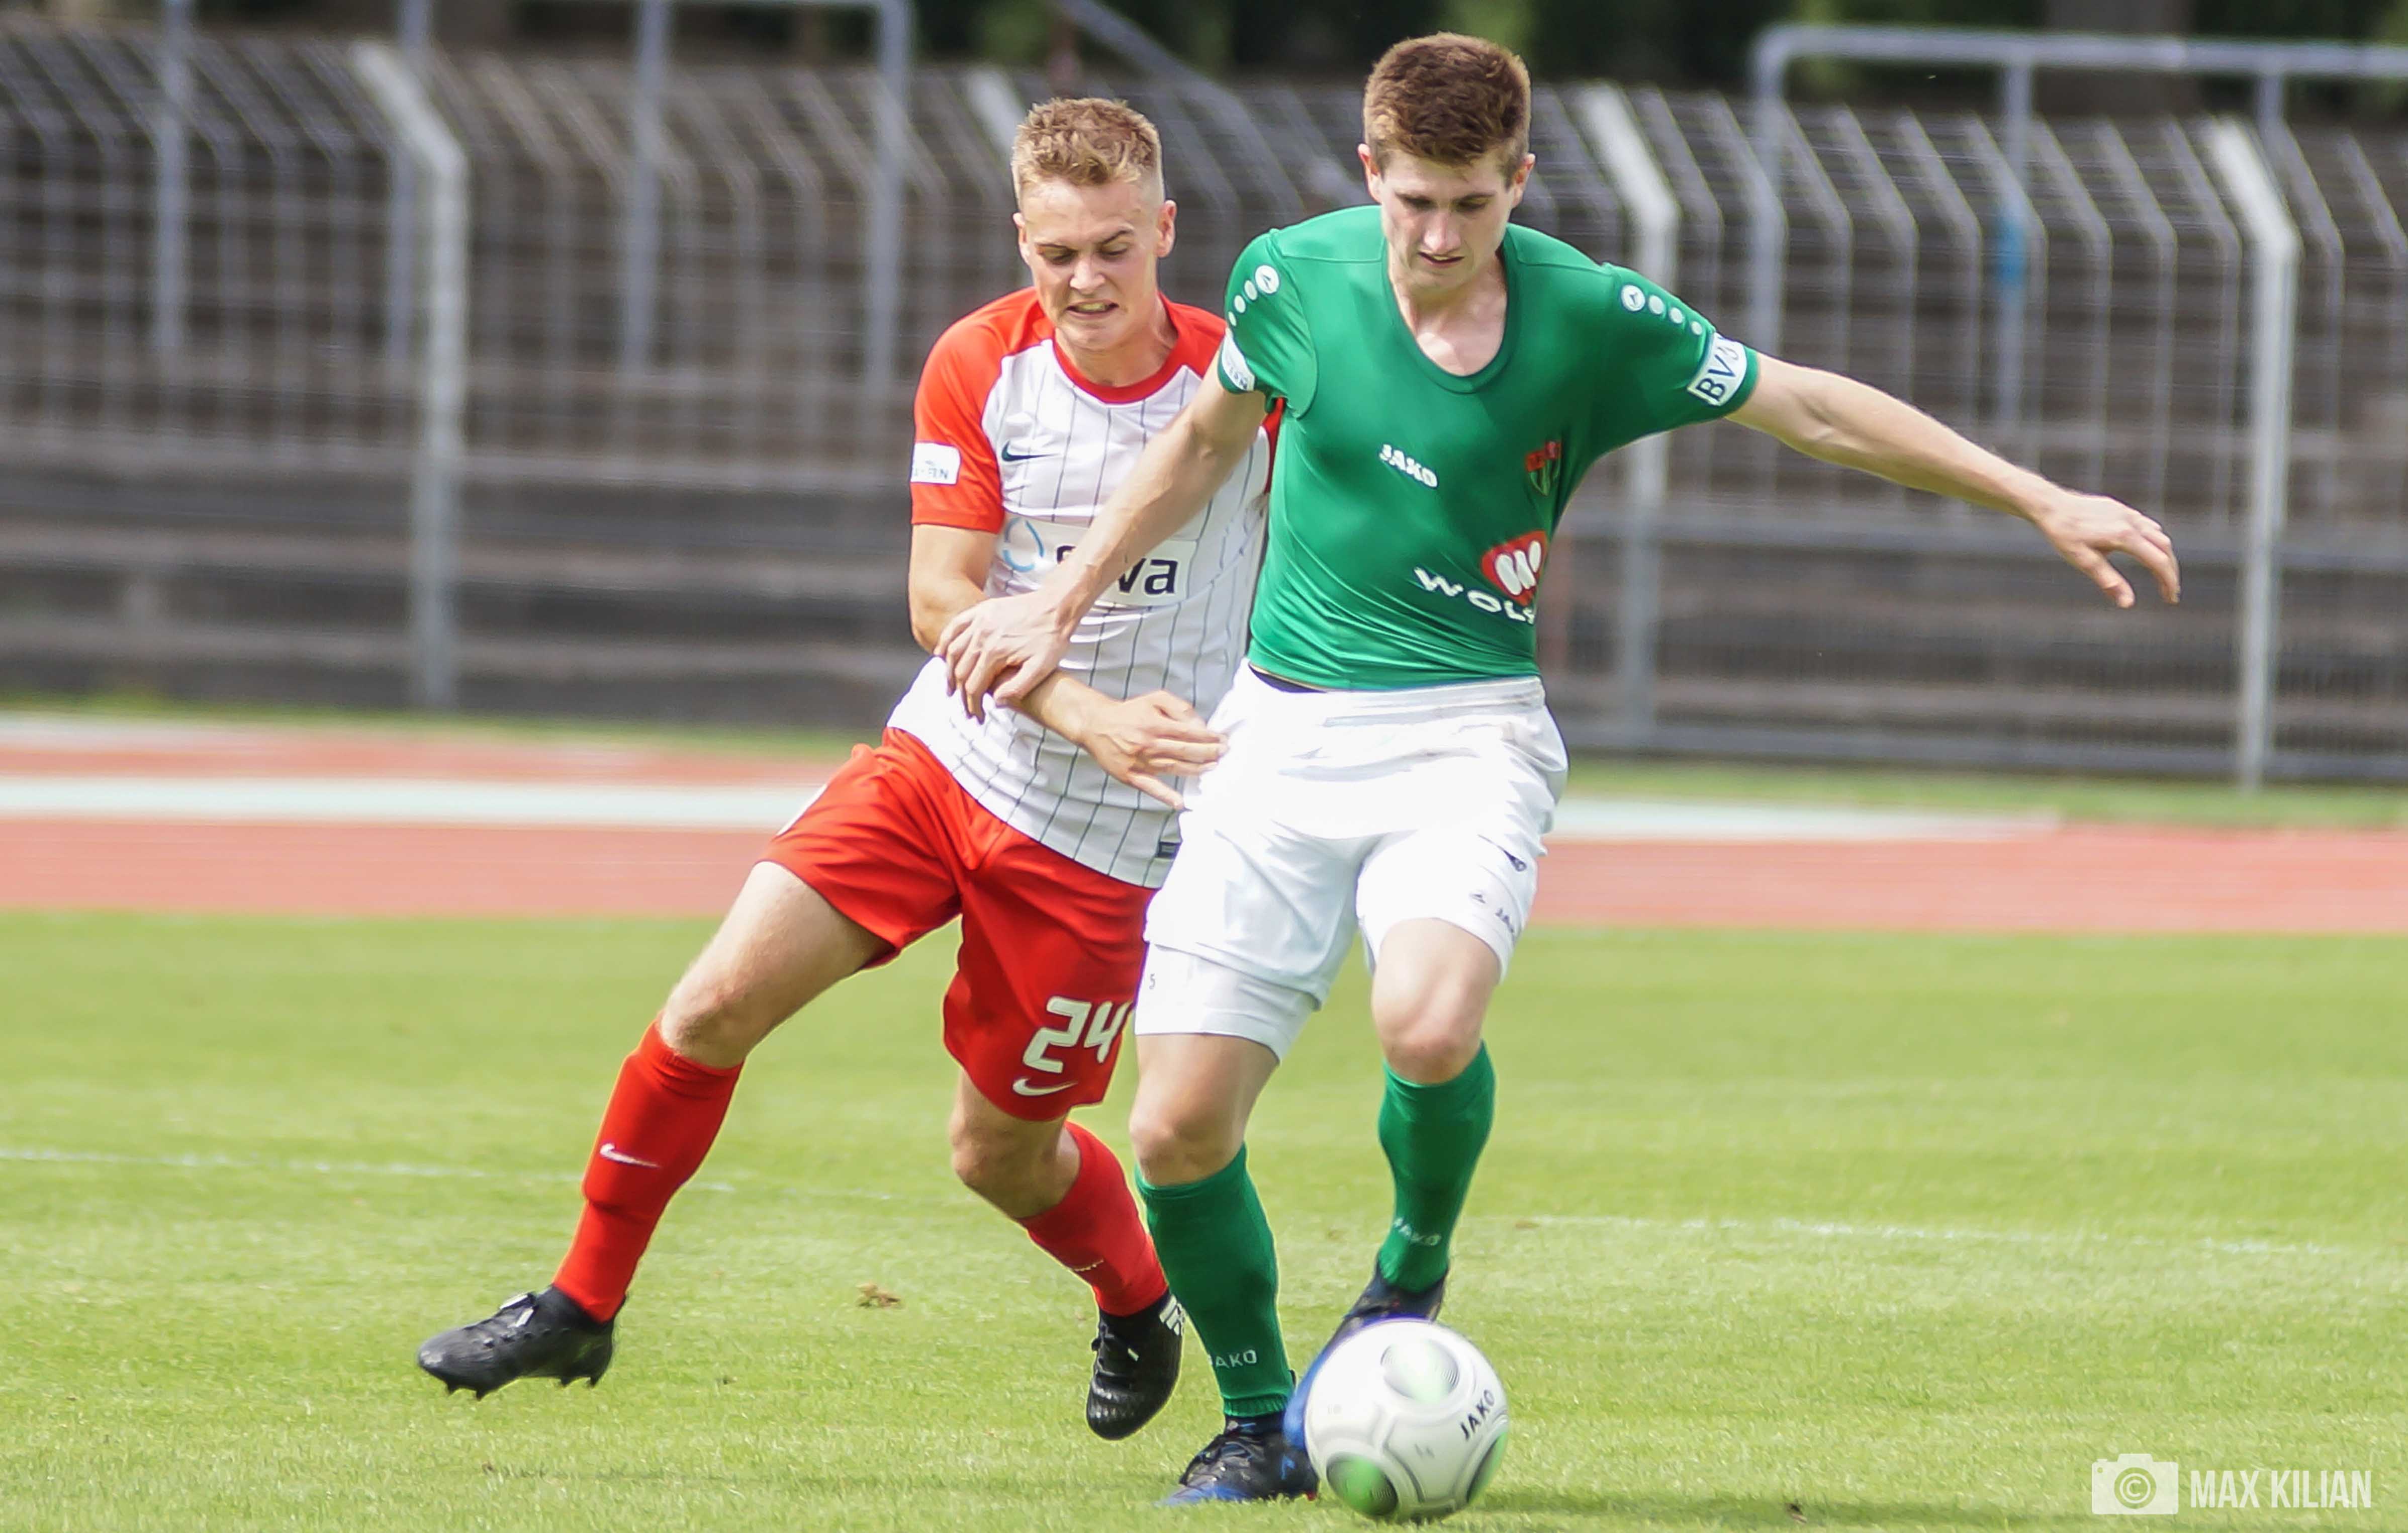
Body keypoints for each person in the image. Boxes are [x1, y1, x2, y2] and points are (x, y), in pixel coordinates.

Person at [939, 34, 2182, 1503]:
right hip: (1271, 733)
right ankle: (1263, 1419)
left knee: (1426, 1024)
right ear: (1370, 173)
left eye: (1471, 204)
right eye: (1413, 201)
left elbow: (1808, 405)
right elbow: (1203, 448)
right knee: (1171, 1127)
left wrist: (2036, 495)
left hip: (1469, 730)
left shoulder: (1593, 317)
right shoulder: (1291, 279)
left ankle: (1409, 1269)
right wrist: (1060, 601)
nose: (1438, 237)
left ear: (1520, 180)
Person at [417, 98, 1278, 1445]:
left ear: (1165, 230)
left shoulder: (1250, 386)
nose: (1086, 280)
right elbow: (942, 601)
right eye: (1057, 253)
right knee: (709, 1006)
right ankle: (581, 1301)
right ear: (1022, 240)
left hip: (1109, 838)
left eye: (1115, 248)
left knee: (995, 1153)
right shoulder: (980, 362)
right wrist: (1086, 711)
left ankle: (1136, 1297)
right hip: (945, 761)